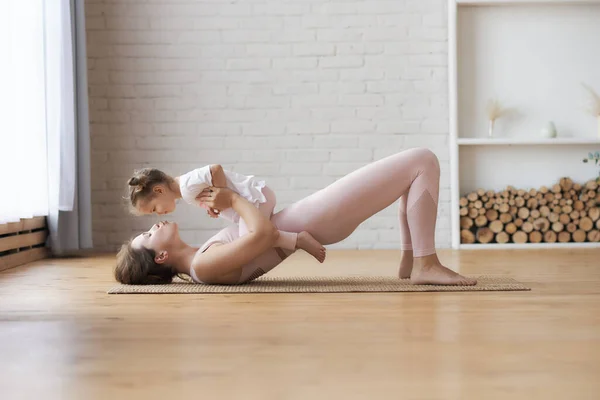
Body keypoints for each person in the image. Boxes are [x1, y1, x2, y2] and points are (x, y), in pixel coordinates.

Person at [115, 148, 477, 286]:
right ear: (160, 257)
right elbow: (260, 234)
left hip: (309, 219)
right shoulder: (203, 269)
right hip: (316, 219)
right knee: (422, 161)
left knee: (410, 173)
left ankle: (411, 261)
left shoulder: (201, 261)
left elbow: (264, 238)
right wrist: (231, 198)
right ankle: (425, 264)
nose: (155, 225)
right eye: (147, 235)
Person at [125, 165, 326, 263]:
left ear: (159, 191)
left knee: (249, 239)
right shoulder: (187, 192)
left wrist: (221, 192)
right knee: (248, 240)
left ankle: (298, 240)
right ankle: (293, 240)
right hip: (251, 204)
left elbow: (215, 169)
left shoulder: (186, 185)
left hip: (254, 199)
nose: (158, 215)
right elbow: (211, 191)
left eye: (154, 209)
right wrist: (213, 206)